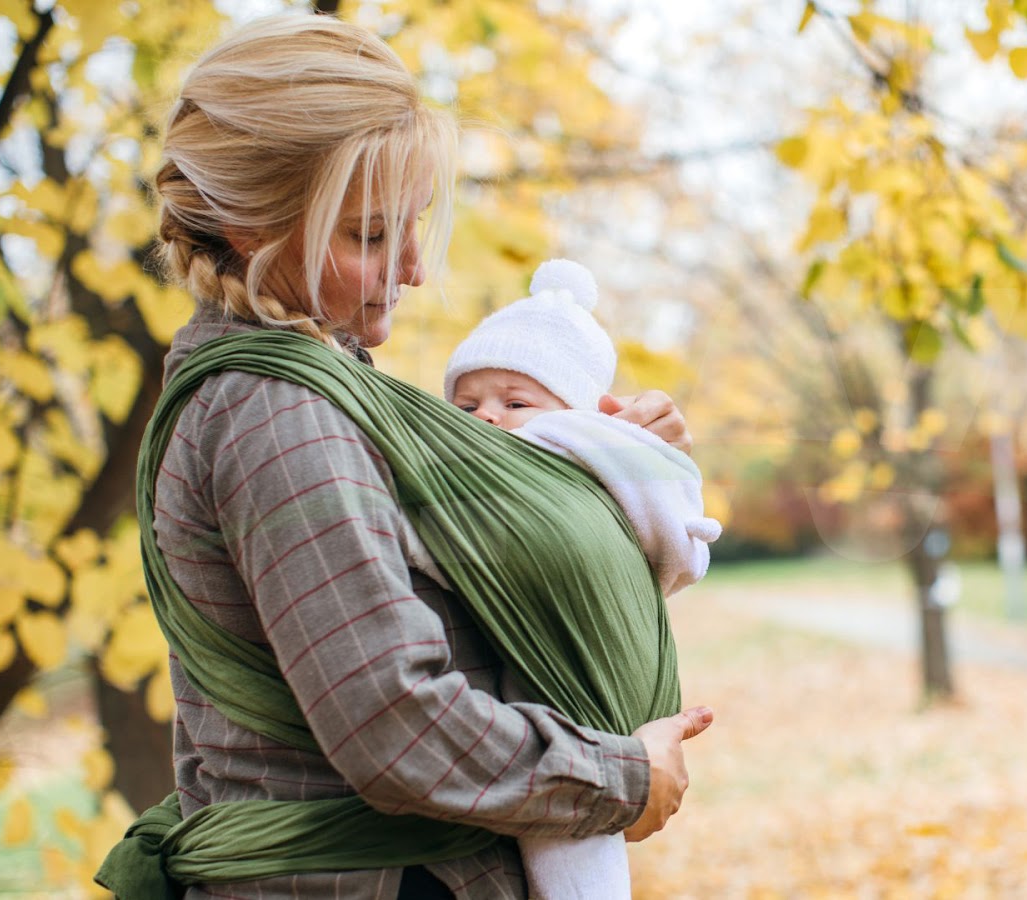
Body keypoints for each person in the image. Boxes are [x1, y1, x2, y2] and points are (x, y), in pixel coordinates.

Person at [98, 14, 710, 899]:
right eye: (371, 236)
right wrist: (619, 780)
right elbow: (394, 720)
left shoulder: (318, 392)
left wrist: (610, 468)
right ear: (243, 227)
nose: (414, 269)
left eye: (411, 225)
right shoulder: (277, 412)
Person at [444, 258, 721, 898]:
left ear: (575, 414)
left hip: (576, 683)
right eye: (467, 403)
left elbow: (668, 533)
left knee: (573, 857)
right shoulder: (458, 470)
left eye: (516, 401)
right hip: (519, 685)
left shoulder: (577, 455)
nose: (487, 417)